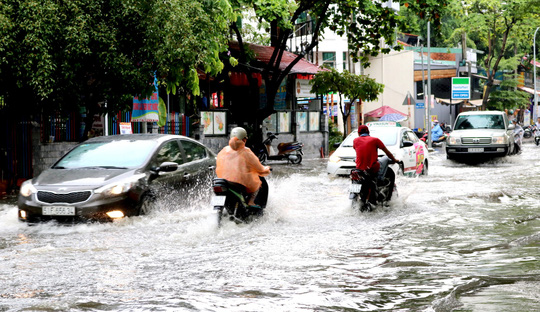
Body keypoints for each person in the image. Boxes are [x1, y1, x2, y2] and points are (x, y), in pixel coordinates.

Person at [216, 127, 271, 207]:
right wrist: (266, 169)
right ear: (244, 140)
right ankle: (251, 202)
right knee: (258, 184)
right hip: (241, 182)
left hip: (225, 180)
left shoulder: (224, 150)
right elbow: (259, 168)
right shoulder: (246, 151)